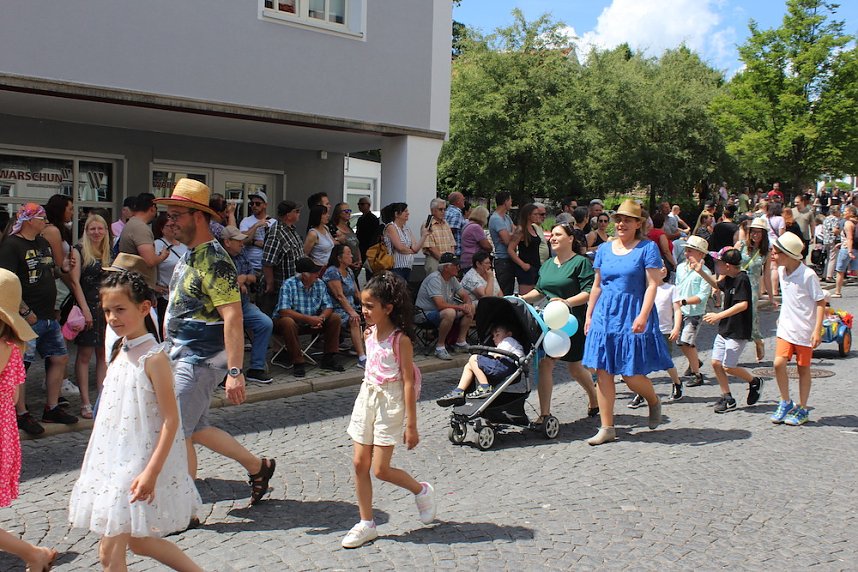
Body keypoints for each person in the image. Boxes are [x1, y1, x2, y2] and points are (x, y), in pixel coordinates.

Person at [68, 270, 203, 571]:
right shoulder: (119, 350)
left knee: (110, 553)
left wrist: (152, 472)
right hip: (114, 460)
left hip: (137, 464)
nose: (113, 318)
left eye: (120, 310)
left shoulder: (154, 358)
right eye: (107, 311)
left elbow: (171, 421)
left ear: (143, 308)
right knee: (139, 542)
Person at [155, 178, 276, 504]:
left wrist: (235, 372)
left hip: (200, 359)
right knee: (196, 428)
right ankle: (258, 467)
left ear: (197, 216)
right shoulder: (191, 254)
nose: (170, 221)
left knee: (177, 432)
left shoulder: (215, 260)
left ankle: (184, 507)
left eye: (176, 214)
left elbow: (233, 317)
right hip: (184, 355)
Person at [342, 271, 435, 549]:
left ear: (388, 308)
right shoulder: (368, 332)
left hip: (390, 402)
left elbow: (407, 381)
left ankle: (421, 490)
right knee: (359, 463)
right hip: (367, 396)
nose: (365, 311)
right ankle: (366, 523)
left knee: (380, 469)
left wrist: (411, 424)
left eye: (370, 306)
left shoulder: (400, 340)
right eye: (363, 305)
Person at [582, 200, 672, 446]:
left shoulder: (647, 248)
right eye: (618, 219)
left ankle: (653, 400)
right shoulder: (604, 250)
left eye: (628, 220)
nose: (621, 224)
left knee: (630, 374)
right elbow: (597, 285)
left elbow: (653, 284)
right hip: (604, 314)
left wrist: (643, 315)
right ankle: (607, 427)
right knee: (603, 371)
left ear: (638, 223)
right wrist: (589, 315)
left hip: (631, 311)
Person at [0, 203, 77, 435]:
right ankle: (20, 412)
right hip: (26, 317)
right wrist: (24, 312)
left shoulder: (43, 243)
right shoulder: (11, 246)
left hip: (47, 314)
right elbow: (5, 282)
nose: (46, 221)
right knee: (22, 365)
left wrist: (63, 266)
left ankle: (52, 407)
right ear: (29, 220)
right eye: (41, 217)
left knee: (60, 357)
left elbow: (50, 271)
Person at [0, 269, 58, 572]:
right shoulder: (12, 348)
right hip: (4, 433)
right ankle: (34, 553)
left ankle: (33, 554)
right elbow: (10, 399)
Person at [520, 223, 599, 422]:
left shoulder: (581, 263)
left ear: (570, 238)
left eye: (558, 235)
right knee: (545, 363)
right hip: (550, 322)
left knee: (575, 368)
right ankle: (544, 414)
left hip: (573, 321)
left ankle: (594, 397)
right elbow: (540, 291)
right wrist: (520, 299)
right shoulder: (547, 264)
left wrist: (566, 302)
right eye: (552, 235)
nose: (552, 238)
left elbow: (589, 292)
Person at [691, 248, 766, 413]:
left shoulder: (742, 279)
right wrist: (700, 272)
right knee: (716, 363)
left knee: (728, 366)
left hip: (738, 330)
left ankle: (755, 381)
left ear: (727, 265)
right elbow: (716, 285)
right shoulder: (729, 278)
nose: (716, 266)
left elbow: (743, 305)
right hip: (725, 328)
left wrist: (718, 316)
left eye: (718, 263)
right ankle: (728, 397)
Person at [769, 232, 826, 425]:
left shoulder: (808, 275)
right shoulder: (783, 272)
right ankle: (785, 401)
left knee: (803, 369)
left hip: (804, 331)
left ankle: (802, 407)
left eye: (776, 252)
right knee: (778, 363)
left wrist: (817, 330)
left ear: (788, 254)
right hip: (786, 328)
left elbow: (820, 301)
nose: (773, 255)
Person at [68, 214, 111, 419]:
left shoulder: (108, 251)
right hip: (88, 306)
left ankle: (102, 398)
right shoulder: (78, 250)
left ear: (105, 230)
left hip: (105, 308)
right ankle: (85, 402)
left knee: (103, 355)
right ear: (86, 231)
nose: (96, 232)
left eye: (100, 229)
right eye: (92, 229)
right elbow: (75, 282)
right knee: (85, 356)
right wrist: (85, 309)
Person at [273, 257, 345, 377]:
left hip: (313, 321)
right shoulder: (289, 284)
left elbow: (328, 306)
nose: (317, 275)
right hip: (291, 324)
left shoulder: (319, 283)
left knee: (335, 318)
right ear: (305, 275)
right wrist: (309, 319)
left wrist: (321, 318)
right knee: (287, 322)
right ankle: (298, 362)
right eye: (314, 273)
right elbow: (284, 311)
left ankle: (329, 358)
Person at [221, 225, 274, 385]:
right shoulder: (219, 258)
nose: (242, 244)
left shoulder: (241, 255)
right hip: (223, 307)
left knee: (265, 323)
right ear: (227, 242)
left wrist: (243, 278)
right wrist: (238, 282)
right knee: (223, 331)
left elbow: (254, 276)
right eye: (238, 241)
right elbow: (223, 284)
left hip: (242, 303)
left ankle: (256, 368)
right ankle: (225, 371)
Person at [436, 323, 524, 404]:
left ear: (508, 334)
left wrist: (483, 356)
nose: (494, 338)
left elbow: (499, 354)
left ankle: (484, 387)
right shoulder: (505, 342)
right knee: (469, 365)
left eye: (497, 334)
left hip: (506, 365)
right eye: (493, 336)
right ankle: (459, 391)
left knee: (473, 358)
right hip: (502, 366)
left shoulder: (508, 340)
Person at [669, 236, 713, 390]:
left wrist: (684, 301)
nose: (686, 254)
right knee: (680, 342)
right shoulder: (681, 267)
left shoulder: (705, 273)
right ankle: (695, 361)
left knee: (687, 342)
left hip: (694, 313)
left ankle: (697, 374)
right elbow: (677, 286)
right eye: (686, 250)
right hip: (680, 311)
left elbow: (702, 297)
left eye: (690, 251)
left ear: (701, 254)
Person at [414, 253, 475, 360]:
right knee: (449, 312)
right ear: (446, 267)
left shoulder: (452, 278)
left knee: (472, 306)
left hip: (441, 312)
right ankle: (440, 347)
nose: (458, 268)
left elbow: (465, 295)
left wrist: (467, 304)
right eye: (455, 265)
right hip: (424, 314)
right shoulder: (435, 279)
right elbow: (440, 304)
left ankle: (460, 342)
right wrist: (461, 307)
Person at [737, 217, 777, 362]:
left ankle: (758, 340)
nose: (755, 235)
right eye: (753, 232)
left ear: (764, 234)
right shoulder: (741, 245)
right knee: (735, 317)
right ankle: (733, 351)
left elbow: (766, 275)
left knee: (751, 317)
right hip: (738, 284)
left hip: (753, 287)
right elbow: (730, 263)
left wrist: (771, 297)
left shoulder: (765, 252)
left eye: (759, 232)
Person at [323, 244, 367, 369]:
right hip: (336, 308)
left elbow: (356, 292)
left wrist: (366, 307)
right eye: (348, 253)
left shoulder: (349, 271)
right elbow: (339, 296)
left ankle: (360, 347)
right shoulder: (332, 271)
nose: (351, 255)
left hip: (350, 306)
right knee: (354, 319)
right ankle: (362, 358)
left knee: (372, 316)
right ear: (339, 257)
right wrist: (352, 312)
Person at [118, 193, 171, 288]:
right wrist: (163, 256)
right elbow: (149, 261)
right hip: (138, 286)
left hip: (132, 283)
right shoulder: (140, 228)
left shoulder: (132, 223)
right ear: (153, 208)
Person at [261, 200, 303, 316]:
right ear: (288, 215)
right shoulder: (276, 233)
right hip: (281, 288)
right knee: (281, 319)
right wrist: (270, 284)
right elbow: (267, 261)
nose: (299, 214)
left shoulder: (291, 230)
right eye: (297, 211)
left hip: (295, 286)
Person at [153, 211, 188, 335]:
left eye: (175, 225)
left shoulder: (184, 246)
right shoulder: (158, 244)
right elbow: (150, 265)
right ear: (162, 229)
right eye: (170, 226)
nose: (173, 228)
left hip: (184, 296)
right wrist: (154, 285)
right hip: (166, 296)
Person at [382, 202, 429, 282]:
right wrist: (411, 251)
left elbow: (416, 248)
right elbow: (400, 247)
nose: (408, 213)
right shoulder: (391, 227)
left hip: (407, 266)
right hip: (395, 267)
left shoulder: (406, 229)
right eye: (405, 211)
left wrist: (424, 235)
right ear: (397, 214)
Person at [507, 204, 543, 295]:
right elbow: (510, 249)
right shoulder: (521, 230)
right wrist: (522, 264)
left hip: (536, 265)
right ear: (528, 215)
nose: (537, 216)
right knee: (525, 297)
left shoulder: (534, 228)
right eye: (535, 214)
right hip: (526, 267)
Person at [239, 191, 275, 273]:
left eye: (258, 204)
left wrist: (257, 242)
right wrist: (256, 225)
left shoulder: (273, 222)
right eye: (252, 203)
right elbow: (243, 240)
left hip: (268, 266)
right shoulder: (246, 221)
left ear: (265, 205)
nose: (254, 206)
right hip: (250, 266)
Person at [489, 192, 515, 295]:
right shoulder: (496, 219)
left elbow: (517, 232)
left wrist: (511, 235)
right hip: (502, 260)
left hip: (509, 259)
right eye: (510, 200)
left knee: (510, 290)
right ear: (505, 202)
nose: (511, 202)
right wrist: (511, 236)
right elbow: (507, 241)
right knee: (504, 292)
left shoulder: (507, 217)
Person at [422, 198, 456, 276]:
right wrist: (444, 261)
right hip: (435, 260)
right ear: (433, 210)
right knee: (435, 285)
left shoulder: (446, 224)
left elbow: (452, 243)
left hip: (448, 261)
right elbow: (430, 248)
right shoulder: (427, 225)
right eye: (441, 209)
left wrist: (451, 260)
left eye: (444, 209)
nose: (443, 212)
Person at [330, 202, 362, 274]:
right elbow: (336, 251)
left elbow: (356, 245)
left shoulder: (349, 228)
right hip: (344, 266)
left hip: (356, 265)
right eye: (346, 211)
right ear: (339, 213)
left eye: (350, 211)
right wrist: (349, 264)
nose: (349, 213)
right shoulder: (335, 230)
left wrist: (360, 260)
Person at [832, 206, 858, 298]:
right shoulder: (856, 222)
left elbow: (850, 238)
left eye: (846, 211)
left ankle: (837, 292)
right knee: (855, 272)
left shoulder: (848, 223)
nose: (843, 212)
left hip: (847, 249)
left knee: (840, 271)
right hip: (855, 248)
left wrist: (849, 251)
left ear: (851, 213)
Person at [459, 206, 492, 272]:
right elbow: (486, 246)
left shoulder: (467, 225)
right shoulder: (476, 227)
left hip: (465, 259)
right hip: (472, 261)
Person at [354, 196, 380, 266]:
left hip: (369, 247)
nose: (360, 206)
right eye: (358, 204)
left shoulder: (373, 219)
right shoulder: (360, 219)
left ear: (368, 205)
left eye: (362, 204)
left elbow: (375, 235)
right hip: (360, 246)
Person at [820, 200, 842, 282]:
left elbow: (822, 230)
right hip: (833, 240)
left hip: (826, 240)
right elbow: (834, 230)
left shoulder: (826, 219)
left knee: (828, 258)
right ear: (836, 212)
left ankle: (825, 274)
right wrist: (840, 231)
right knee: (833, 258)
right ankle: (829, 276)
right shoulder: (835, 219)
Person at [445, 192, 467, 257]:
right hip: (456, 250)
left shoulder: (447, 211)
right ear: (457, 201)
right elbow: (451, 231)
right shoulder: (456, 213)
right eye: (463, 199)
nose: (464, 201)